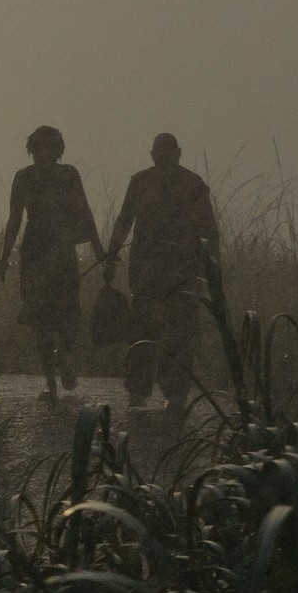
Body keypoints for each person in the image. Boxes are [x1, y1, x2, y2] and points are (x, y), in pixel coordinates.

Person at [104, 133, 220, 410]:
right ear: (155, 156)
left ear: (177, 154)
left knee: (174, 332)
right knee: (148, 330)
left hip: (179, 272)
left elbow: (209, 231)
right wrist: (110, 255)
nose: (164, 162)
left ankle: (170, 392)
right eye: (161, 156)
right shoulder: (143, 182)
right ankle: (145, 391)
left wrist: (212, 269)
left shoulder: (191, 186)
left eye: (167, 156)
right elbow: (124, 220)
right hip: (151, 273)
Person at [0, 125, 104, 401]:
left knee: (59, 316)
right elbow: (15, 220)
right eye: (38, 148)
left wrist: (102, 253)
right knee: (45, 319)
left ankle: (60, 368)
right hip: (42, 252)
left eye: (46, 148)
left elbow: (84, 213)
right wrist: (3, 260)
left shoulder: (58, 176)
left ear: (55, 150)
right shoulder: (38, 177)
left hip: (53, 252)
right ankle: (54, 379)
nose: (41, 153)